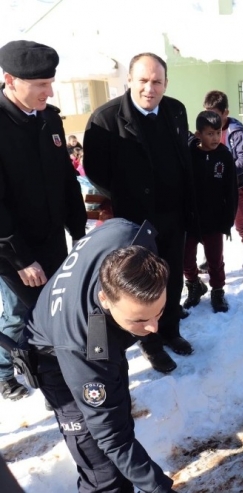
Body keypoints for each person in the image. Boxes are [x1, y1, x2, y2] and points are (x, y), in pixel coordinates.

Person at [25, 219, 178, 492]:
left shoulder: (131, 239)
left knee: (119, 415)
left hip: (96, 335)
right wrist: (160, 488)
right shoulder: (88, 344)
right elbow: (112, 437)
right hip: (56, 360)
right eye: (140, 319)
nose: (154, 328)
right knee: (103, 473)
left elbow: (119, 226)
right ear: (105, 298)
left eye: (159, 312)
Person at [84, 53, 196, 373]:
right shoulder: (105, 118)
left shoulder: (175, 110)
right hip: (134, 222)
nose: (150, 88)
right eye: (143, 80)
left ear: (165, 83)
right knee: (143, 285)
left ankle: (171, 330)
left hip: (173, 215)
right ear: (129, 80)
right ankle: (151, 343)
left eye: (157, 81)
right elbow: (95, 171)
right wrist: (125, 196)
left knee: (171, 279)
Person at [0, 40, 87, 401]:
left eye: (50, 83)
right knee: (18, 312)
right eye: (40, 85)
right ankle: (6, 372)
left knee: (51, 306)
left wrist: (79, 230)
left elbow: (65, 179)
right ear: (10, 80)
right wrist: (20, 258)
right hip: (12, 249)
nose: (48, 92)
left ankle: (47, 365)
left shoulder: (49, 118)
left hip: (52, 239)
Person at [182, 111, 237, 313]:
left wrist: (228, 219)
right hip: (190, 219)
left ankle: (217, 291)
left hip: (214, 220)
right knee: (186, 258)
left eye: (218, 132)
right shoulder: (189, 155)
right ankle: (194, 286)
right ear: (198, 134)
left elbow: (231, 191)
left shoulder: (224, 156)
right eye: (210, 134)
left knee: (215, 259)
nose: (215, 138)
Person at [203, 90, 243, 270]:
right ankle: (211, 257)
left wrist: (226, 172)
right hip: (214, 188)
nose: (211, 118)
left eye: (215, 115)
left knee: (240, 222)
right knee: (211, 223)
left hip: (238, 187)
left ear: (225, 112)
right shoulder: (205, 129)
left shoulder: (236, 132)